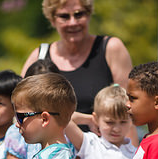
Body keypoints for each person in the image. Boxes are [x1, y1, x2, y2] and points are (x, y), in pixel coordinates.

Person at [21, 0, 133, 137]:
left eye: (79, 14)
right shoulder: (40, 56)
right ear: (52, 20)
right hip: (52, 154)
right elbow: (21, 109)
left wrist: (129, 155)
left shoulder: (111, 48)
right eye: (64, 16)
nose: (73, 22)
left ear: (89, 15)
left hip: (103, 152)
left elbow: (128, 111)